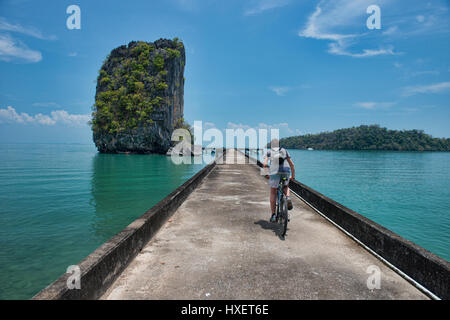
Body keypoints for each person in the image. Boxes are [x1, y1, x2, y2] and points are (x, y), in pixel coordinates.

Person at [263, 139, 295, 223]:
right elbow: (292, 164)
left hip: (274, 173)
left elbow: (265, 164)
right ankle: (287, 198)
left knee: (273, 192)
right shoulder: (284, 150)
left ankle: (273, 215)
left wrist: (266, 174)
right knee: (286, 186)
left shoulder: (269, 152)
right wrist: (293, 176)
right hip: (286, 171)